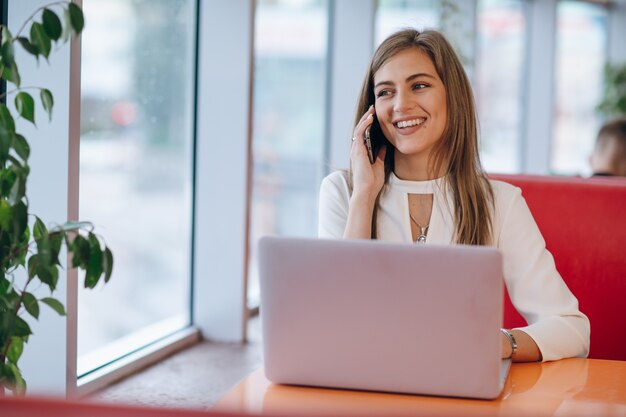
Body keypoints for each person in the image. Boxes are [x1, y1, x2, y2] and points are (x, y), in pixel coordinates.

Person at [318, 29, 589, 363]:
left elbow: (571, 329)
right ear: (372, 110)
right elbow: (336, 320)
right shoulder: (342, 192)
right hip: (362, 384)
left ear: (452, 96)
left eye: (419, 85)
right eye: (386, 92)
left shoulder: (499, 202)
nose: (401, 105)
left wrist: (504, 343)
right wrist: (364, 195)